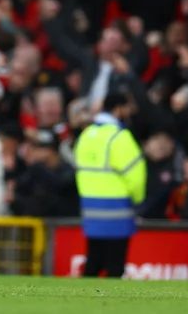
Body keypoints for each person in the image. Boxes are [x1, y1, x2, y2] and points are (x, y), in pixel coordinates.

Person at [74, 92, 147, 278]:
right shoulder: (119, 137)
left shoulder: (86, 135)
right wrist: (138, 200)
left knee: (94, 261)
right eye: (127, 107)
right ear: (118, 108)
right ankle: (109, 306)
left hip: (90, 207)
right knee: (115, 265)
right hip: (117, 208)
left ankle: (83, 304)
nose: (129, 112)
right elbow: (135, 174)